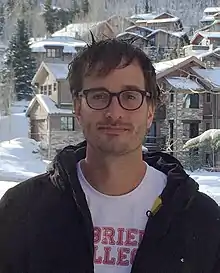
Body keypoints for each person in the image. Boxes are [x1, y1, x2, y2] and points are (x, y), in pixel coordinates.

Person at [0, 38, 220, 273]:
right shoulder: (21, 212)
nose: (114, 112)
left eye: (130, 96)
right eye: (98, 96)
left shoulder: (202, 220)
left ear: (150, 111)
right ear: (77, 108)